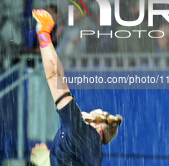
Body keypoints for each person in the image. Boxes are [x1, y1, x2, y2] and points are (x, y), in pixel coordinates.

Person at [30, 9, 123, 165]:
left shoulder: (81, 131)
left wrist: (44, 35)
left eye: (100, 111)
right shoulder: (90, 146)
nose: (98, 109)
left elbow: (55, 77)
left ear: (98, 124)